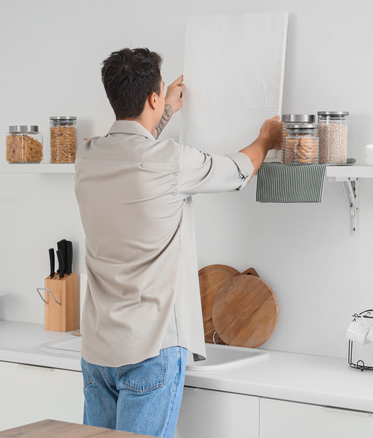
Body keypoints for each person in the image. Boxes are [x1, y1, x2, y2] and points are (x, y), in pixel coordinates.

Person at [74, 47, 282, 438]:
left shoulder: (87, 156)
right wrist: (266, 139)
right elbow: (238, 169)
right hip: (151, 349)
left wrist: (164, 109)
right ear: (152, 97)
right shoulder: (171, 161)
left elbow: (135, 147)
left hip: (97, 352)